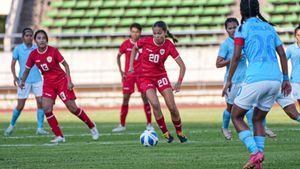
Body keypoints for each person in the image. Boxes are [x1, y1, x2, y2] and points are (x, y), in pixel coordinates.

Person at [222, 0, 291, 168]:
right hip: (275, 80)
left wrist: (229, 79)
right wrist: (285, 78)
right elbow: (282, 53)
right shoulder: (269, 27)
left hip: (255, 78)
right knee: (258, 119)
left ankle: (255, 152)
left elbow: (237, 57)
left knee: (236, 116)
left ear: (242, 11)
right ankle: (258, 162)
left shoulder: (242, 29)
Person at [19, 30, 99, 143]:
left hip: (61, 81)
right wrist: (22, 82)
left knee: (73, 108)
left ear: (46, 40)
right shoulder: (33, 54)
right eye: (39, 38)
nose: (41, 40)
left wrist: (69, 81)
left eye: (43, 38)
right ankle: (59, 136)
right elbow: (26, 70)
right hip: (48, 83)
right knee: (46, 108)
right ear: (35, 41)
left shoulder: (53, 51)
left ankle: (91, 126)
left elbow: (65, 65)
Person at [129, 21, 187, 143]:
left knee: (172, 107)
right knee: (155, 104)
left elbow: (182, 66)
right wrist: (131, 66)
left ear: (165, 33)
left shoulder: (169, 45)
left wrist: (179, 83)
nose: (157, 36)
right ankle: (166, 133)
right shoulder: (145, 41)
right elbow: (134, 49)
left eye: (160, 33)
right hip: (146, 78)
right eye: (154, 33)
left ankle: (180, 132)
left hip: (161, 76)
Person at [4, 28, 48, 136]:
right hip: (24, 81)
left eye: (30, 35)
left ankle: (40, 128)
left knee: (41, 103)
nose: (29, 37)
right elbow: (13, 64)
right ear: (23, 37)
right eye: (27, 35)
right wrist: (15, 77)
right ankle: (11, 126)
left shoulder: (37, 48)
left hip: (37, 79)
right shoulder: (18, 49)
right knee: (20, 105)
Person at [112, 23, 153, 132]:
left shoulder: (144, 43)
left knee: (145, 97)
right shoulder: (125, 44)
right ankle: (122, 125)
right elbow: (118, 56)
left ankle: (149, 124)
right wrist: (121, 72)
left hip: (142, 75)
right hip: (129, 75)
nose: (135, 34)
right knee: (125, 99)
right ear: (130, 32)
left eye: (137, 32)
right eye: (133, 31)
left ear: (140, 33)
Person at [286, 25, 300, 108]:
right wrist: (285, 77)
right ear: (295, 36)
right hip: (295, 80)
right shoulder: (291, 49)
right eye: (299, 35)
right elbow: (283, 60)